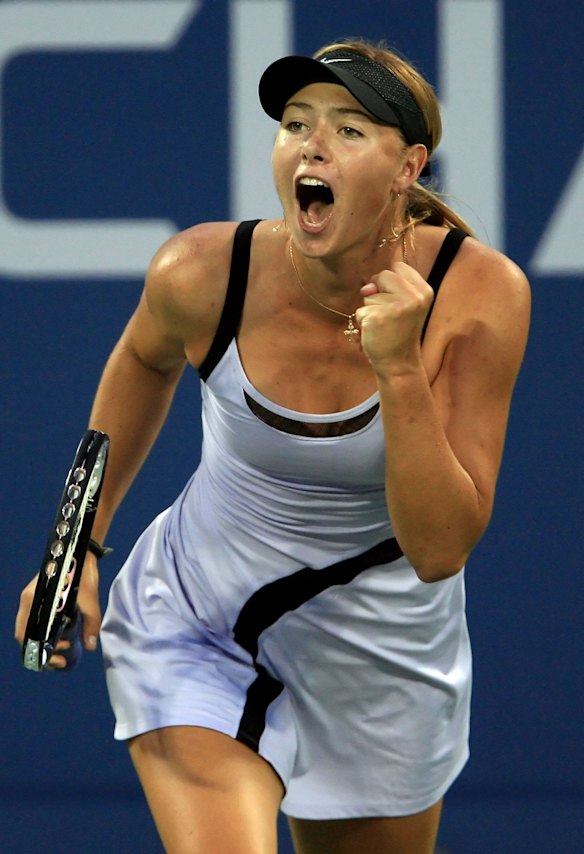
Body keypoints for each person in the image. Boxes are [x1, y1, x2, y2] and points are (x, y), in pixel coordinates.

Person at [16, 38, 530, 854]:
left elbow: (439, 549)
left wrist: (397, 369)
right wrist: (75, 542)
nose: (311, 145)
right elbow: (143, 360)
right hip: (193, 622)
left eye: (349, 130)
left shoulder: (479, 295)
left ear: (409, 168)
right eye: (295, 124)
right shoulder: (202, 270)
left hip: (383, 667)